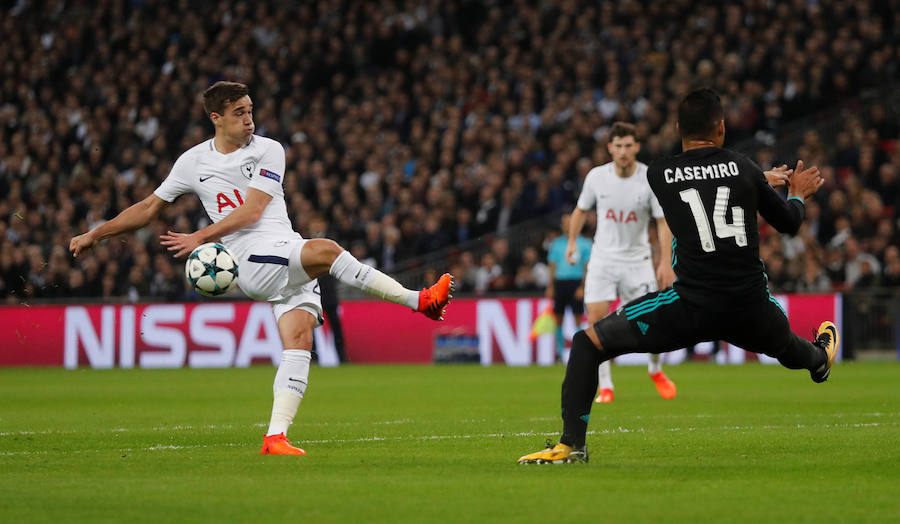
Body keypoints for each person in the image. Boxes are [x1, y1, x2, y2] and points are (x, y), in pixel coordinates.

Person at [69, 81, 453, 456]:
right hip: (249, 259)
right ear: (216, 118)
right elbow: (148, 209)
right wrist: (95, 234)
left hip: (280, 248)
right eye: (239, 113)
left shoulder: (269, 150)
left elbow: (252, 209)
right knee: (328, 250)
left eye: (251, 110)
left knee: (300, 342)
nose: (249, 120)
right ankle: (419, 301)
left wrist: (200, 236)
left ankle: (275, 437)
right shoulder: (192, 162)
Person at [518, 88, 838, 464]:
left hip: (690, 306)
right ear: (721, 128)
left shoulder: (660, 173)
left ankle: (571, 446)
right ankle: (819, 360)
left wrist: (753, 178)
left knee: (587, 345)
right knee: (785, 346)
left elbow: (696, 181)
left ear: (677, 128)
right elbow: (788, 223)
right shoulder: (744, 169)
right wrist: (795, 194)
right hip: (749, 304)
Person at [566, 122, 677, 403]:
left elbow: (663, 222)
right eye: (618, 146)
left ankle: (655, 369)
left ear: (637, 147)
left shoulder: (649, 178)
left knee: (652, 323)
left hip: (638, 261)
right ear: (610, 149)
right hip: (603, 258)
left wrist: (665, 261)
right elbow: (580, 211)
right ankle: (606, 386)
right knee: (596, 321)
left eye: (628, 145)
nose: (623, 151)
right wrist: (571, 242)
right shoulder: (596, 177)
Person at [545, 213, 592, 360]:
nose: (567, 225)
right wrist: (551, 285)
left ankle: (578, 351)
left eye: (569, 222)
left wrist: (583, 287)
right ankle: (559, 353)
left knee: (578, 317)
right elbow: (552, 265)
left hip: (576, 282)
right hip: (560, 283)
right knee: (558, 317)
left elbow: (587, 267)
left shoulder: (585, 243)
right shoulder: (556, 243)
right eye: (564, 223)